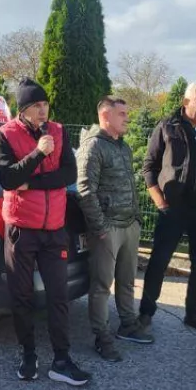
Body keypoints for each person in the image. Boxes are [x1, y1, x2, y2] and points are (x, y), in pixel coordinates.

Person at [0, 79, 91, 386]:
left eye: (45, 105)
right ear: (22, 109)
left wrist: (33, 183)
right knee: (21, 296)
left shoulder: (59, 132)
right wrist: (37, 154)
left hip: (54, 229)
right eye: (36, 106)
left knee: (58, 295)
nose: (43, 111)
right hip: (21, 229)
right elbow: (7, 179)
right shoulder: (5, 135)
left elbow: (69, 174)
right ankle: (28, 355)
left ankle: (61, 359)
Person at [138, 82, 196, 334]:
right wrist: (160, 202)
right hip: (173, 208)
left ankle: (193, 314)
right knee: (159, 261)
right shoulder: (168, 126)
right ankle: (145, 312)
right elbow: (149, 166)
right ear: (186, 102)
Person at [77, 97, 153, 363]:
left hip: (128, 224)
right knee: (101, 286)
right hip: (107, 228)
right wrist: (100, 227)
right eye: (121, 114)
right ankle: (102, 337)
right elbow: (85, 190)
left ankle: (128, 325)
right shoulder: (93, 146)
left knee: (127, 279)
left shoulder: (123, 147)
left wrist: (136, 219)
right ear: (105, 116)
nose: (127, 118)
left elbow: (129, 185)